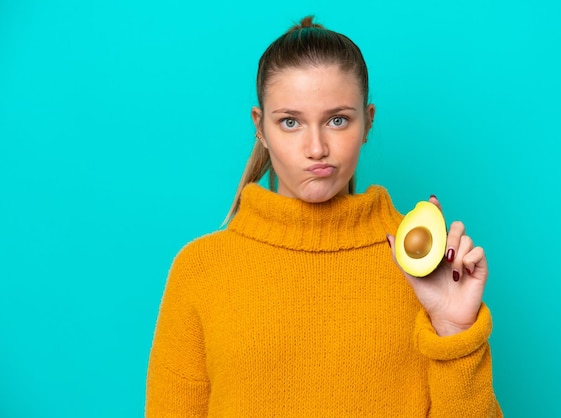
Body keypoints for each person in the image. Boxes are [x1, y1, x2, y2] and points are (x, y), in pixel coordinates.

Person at [146, 16, 502, 417]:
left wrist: (454, 332)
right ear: (260, 127)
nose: (316, 148)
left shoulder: (425, 267)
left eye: (337, 120)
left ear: (367, 121)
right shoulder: (201, 270)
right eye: (290, 122)